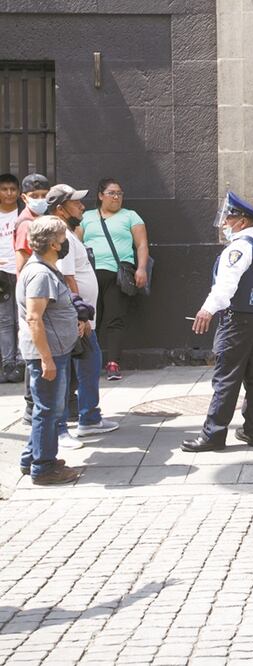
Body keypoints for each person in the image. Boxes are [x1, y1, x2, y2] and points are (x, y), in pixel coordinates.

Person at [182, 192, 253, 452]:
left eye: (229, 218)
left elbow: (226, 286)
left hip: (236, 320)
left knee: (226, 377)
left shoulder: (238, 248)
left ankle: (213, 435)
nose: (224, 223)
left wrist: (207, 310)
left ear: (242, 221)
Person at [46, 185, 119, 444]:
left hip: (84, 318)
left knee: (89, 363)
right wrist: (80, 315)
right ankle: (61, 428)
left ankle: (89, 418)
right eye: (75, 203)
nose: (81, 207)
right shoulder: (60, 236)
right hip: (75, 319)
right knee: (66, 372)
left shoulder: (69, 233)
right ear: (60, 210)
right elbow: (67, 278)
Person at [17, 215, 87, 485]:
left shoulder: (45, 269)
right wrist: (47, 359)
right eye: (62, 238)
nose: (66, 241)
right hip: (48, 354)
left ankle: (31, 458)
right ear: (54, 245)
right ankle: (43, 468)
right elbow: (34, 318)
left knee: (46, 409)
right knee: (48, 410)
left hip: (54, 351)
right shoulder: (40, 274)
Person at [80, 178, 150, 381]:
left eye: (119, 193)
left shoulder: (130, 216)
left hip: (119, 275)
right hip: (90, 274)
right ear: (100, 195)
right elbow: (75, 241)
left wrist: (141, 268)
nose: (116, 197)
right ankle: (88, 363)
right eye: (112, 193)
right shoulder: (87, 217)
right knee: (90, 318)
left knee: (115, 318)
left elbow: (142, 244)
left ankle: (113, 363)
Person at [13, 173, 51, 423]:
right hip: (32, 294)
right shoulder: (27, 223)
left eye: (44, 195)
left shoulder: (40, 219)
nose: (40, 199)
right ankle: (31, 406)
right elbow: (21, 262)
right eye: (34, 196)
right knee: (34, 349)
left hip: (38, 291)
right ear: (24, 197)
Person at [0, 173, 20, 381]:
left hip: (22, 270)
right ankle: (8, 363)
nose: (9, 193)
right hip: (2, 274)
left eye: (12, 189)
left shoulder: (23, 214)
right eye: (4, 189)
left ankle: (22, 362)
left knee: (22, 317)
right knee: (4, 320)